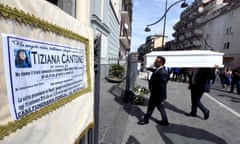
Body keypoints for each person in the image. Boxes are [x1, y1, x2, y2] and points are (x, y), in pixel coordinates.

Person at [138, 56, 169, 126]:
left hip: (158, 95)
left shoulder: (162, 72)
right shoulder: (159, 69)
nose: (154, 63)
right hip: (155, 93)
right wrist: (147, 68)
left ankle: (146, 120)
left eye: (156, 62)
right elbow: (154, 70)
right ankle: (164, 121)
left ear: (160, 63)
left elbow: (163, 87)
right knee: (154, 107)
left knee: (156, 107)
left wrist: (162, 98)